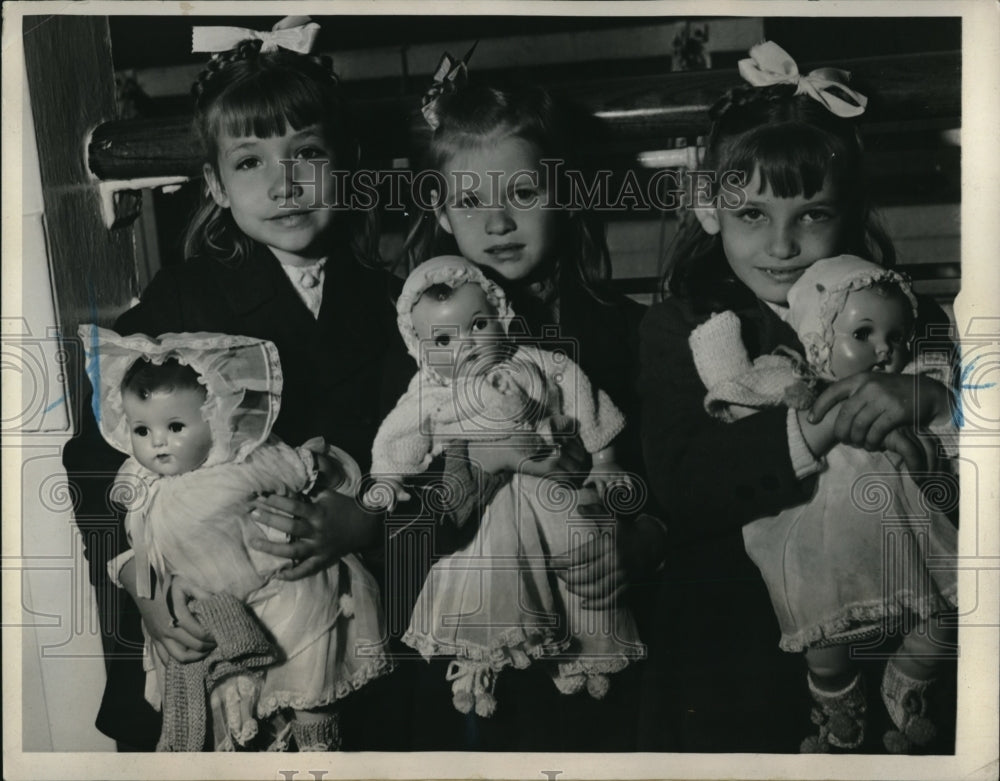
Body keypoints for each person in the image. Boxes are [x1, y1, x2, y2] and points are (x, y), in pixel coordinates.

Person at [62, 17, 412, 751]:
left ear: (344, 165)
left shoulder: (392, 301)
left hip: (333, 619)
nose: (284, 183)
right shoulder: (183, 300)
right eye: (250, 162)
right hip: (202, 603)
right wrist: (145, 587)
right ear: (216, 186)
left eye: (307, 153)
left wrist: (365, 520)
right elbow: (96, 457)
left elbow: (435, 460)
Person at [637, 42, 957, 752]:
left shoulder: (905, 318)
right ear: (709, 208)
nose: (782, 245)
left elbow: (969, 486)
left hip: (889, 634)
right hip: (733, 656)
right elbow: (683, 486)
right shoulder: (684, 326)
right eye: (751, 214)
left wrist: (933, 406)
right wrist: (816, 429)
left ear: (851, 209)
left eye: (811, 214)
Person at [398, 54, 666, 751]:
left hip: (595, 616)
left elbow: (658, 481)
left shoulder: (623, 332)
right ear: (440, 210)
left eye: (522, 192)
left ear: (566, 193)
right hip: (475, 627)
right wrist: (473, 474)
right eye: (471, 202)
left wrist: (635, 540)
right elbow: (400, 504)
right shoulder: (414, 341)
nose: (498, 222)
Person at [686, 256, 958, 752]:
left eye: (895, 337)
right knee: (823, 639)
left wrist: (935, 400)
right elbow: (734, 393)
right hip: (825, 536)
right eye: (863, 334)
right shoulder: (794, 382)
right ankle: (838, 709)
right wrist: (719, 340)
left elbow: (955, 431)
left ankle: (910, 683)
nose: (884, 350)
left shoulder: (910, 384)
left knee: (951, 609)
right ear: (817, 337)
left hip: (908, 533)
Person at [81, 326, 391, 750]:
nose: (156, 443)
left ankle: (319, 749)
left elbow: (312, 466)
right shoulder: (137, 479)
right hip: (208, 608)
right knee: (223, 704)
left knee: (307, 677)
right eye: (140, 430)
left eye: (175, 426)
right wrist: (141, 582)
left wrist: (342, 483)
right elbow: (134, 539)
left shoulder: (244, 461)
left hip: (280, 588)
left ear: (216, 420)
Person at [367, 256, 643, 716]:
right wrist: (388, 478)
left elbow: (585, 396)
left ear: (503, 318)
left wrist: (606, 459)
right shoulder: (428, 392)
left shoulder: (540, 363)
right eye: (443, 339)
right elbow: (397, 436)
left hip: (552, 491)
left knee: (581, 563)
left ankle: (589, 656)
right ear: (420, 350)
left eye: (478, 324)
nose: (467, 345)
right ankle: (479, 662)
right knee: (488, 576)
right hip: (487, 506)